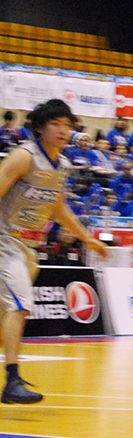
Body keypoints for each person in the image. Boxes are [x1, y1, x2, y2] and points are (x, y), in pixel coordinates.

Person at [0, 99, 109, 404]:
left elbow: (58, 208)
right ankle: (12, 381)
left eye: (67, 125)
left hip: (28, 247)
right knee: (20, 305)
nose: (63, 130)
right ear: (40, 127)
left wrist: (87, 239)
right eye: (55, 124)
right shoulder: (24, 157)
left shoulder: (61, 165)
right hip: (5, 241)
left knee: (6, 318)